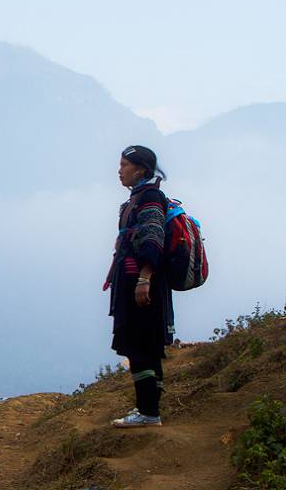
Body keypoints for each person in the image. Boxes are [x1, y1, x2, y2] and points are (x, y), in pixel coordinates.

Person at [104, 145, 175, 428]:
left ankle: (148, 412)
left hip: (142, 286)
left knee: (140, 345)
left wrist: (144, 279)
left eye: (124, 165)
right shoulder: (139, 199)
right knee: (143, 345)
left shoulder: (149, 198)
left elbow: (153, 241)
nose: (120, 170)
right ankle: (149, 408)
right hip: (136, 284)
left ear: (141, 169)